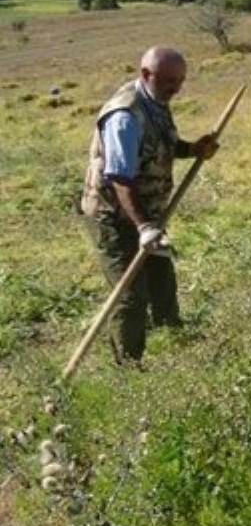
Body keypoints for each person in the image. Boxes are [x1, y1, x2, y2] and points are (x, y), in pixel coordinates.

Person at [79, 46, 219, 363]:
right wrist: (144, 227)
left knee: (161, 280)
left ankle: (175, 344)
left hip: (147, 214)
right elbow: (120, 178)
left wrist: (193, 149)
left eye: (180, 81)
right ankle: (129, 368)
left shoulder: (155, 100)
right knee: (130, 296)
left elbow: (158, 146)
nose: (176, 88)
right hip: (113, 216)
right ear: (145, 74)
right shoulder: (124, 117)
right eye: (169, 80)